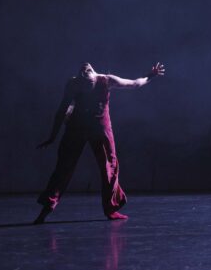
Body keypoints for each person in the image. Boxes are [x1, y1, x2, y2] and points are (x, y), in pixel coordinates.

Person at [34, 61, 165, 224]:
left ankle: (111, 208)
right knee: (63, 168)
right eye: (84, 74)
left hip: (98, 128)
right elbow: (61, 111)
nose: (85, 69)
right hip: (79, 127)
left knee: (109, 166)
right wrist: (53, 136)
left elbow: (134, 84)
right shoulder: (76, 84)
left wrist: (150, 75)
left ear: (93, 73)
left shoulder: (105, 80)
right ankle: (46, 209)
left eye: (87, 71)